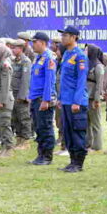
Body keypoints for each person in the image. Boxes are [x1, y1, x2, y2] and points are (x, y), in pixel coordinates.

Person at [56, 26, 88, 172]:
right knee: (68, 132)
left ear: (74, 37)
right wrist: (60, 98)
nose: (63, 38)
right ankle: (72, 161)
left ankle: (78, 163)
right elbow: (64, 80)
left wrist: (77, 101)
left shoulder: (80, 56)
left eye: (66, 35)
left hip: (76, 101)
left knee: (77, 132)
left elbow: (81, 81)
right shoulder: (67, 55)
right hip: (66, 100)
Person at [27, 32, 57, 165]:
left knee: (45, 127)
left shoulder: (49, 57)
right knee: (38, 128)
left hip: (43, 98)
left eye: (35, 42)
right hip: (35, 97)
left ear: (43, 43)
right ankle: (40, 155)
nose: (32, 45)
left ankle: (47, 156)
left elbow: (49, 81)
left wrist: (46, 100)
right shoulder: (38, 58)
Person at [0, 43, 15, 158]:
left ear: (1, 52)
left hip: (3, 99)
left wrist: (2, 101)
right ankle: (3, 147)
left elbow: (5, 85)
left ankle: (9, 148)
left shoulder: (5, 65)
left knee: (5, 124)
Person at [10, 39, 33, 150]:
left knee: (24, 117)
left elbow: (25, 80)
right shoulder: (14, 61)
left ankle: (26, 140)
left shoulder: (25, 61)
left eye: (14, 48)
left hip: (20, 94)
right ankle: (19, 139)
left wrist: (23, 96)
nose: (12, 50)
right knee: (15, 117)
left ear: (20, 48)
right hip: (13, 93)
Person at [85, 44, 105, 152]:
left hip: (93, 98)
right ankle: (88, 143)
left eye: (87, 50)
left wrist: (97, 100)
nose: (85, 51)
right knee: (87, 122)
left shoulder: (98, 66)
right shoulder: (88, 64)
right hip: (86, 97)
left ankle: (97, 146)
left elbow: (99, 85)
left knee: (95, 123)